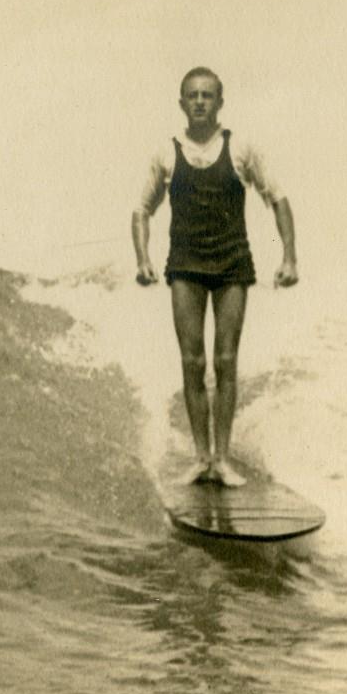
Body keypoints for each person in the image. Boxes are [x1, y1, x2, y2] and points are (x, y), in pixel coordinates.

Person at [131, 67, 297, 486]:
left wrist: (290, 257)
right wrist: (143, 259)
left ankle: (222, 459)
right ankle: (201, 458)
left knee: (225, 361)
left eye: (208, 95)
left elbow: (277, 198)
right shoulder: (166, 154)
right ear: (182, 103)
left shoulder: (240, 148)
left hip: (231, 265)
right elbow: (141, 210)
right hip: (185, 265)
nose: (200, 101)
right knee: (193, 362)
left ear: (220, 102)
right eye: (193, 95)